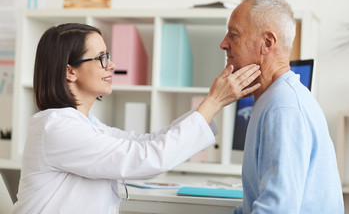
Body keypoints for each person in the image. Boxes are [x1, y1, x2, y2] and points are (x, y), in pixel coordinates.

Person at [13, 23, 261, 213]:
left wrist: (212, 103)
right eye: (101, 58)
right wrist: (214, 102)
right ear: (70, 71)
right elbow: (148, 159)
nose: (111, 65)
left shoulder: (85, 124)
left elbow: (146, 142)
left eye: (107, 56)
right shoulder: (57, 127)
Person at [220, 0, 344, 214]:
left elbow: (277, 210)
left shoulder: (284, 108)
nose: (223, 44)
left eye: (234, 35)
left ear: (267, 42)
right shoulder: (271, 99)